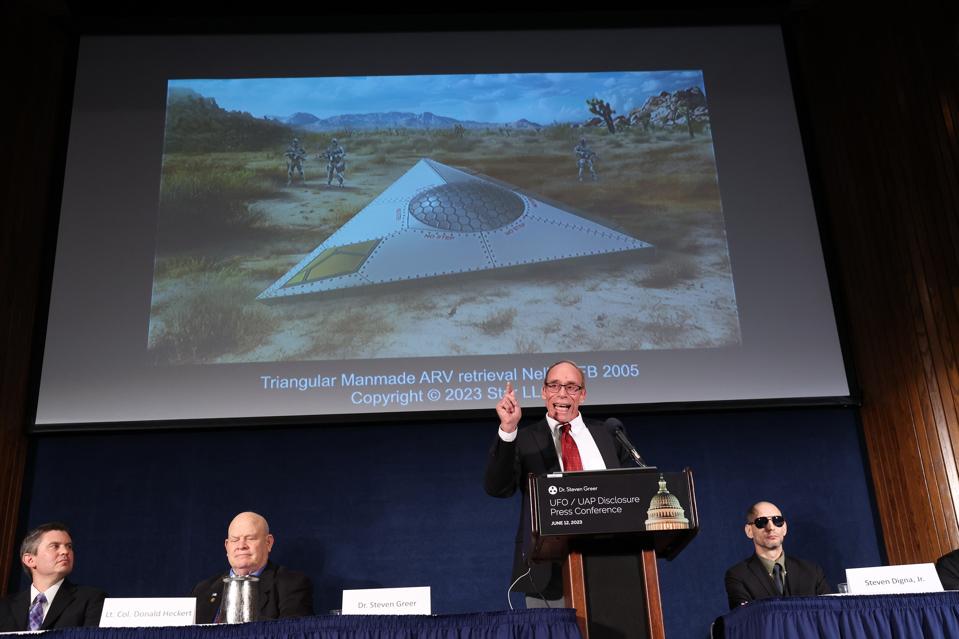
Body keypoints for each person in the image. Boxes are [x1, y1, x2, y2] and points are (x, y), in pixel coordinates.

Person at [484, 360, 635, 608]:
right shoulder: (524, 439)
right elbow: (497, 488)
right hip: (548, 574)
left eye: (571, 387)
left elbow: (633, 489)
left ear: (582, 395)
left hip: (611, 564)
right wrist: (508, 429)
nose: (562, 393)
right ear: (544, 392)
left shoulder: (608, 434)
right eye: (554, 386)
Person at [192, 511, 314, 623]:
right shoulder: (203, 590)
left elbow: (292, 632)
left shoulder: (291, 584)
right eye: (235, 540)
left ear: (268, 543)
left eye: (250, 538)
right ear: (227, 546)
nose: (241, 546)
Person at [0, 522, 106, 631]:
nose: (65, 551)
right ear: (30, 560)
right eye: (54, 546)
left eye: (69, 546)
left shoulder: (91, 599)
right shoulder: (4, 607)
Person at [724, 501, 831, 608]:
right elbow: (744, 621)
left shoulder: (812, 572)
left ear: (784, 528)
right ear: (749, 531)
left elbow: (828, 615)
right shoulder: (738, 576)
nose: (771, 527)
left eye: (777, 520)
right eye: (761, 522)